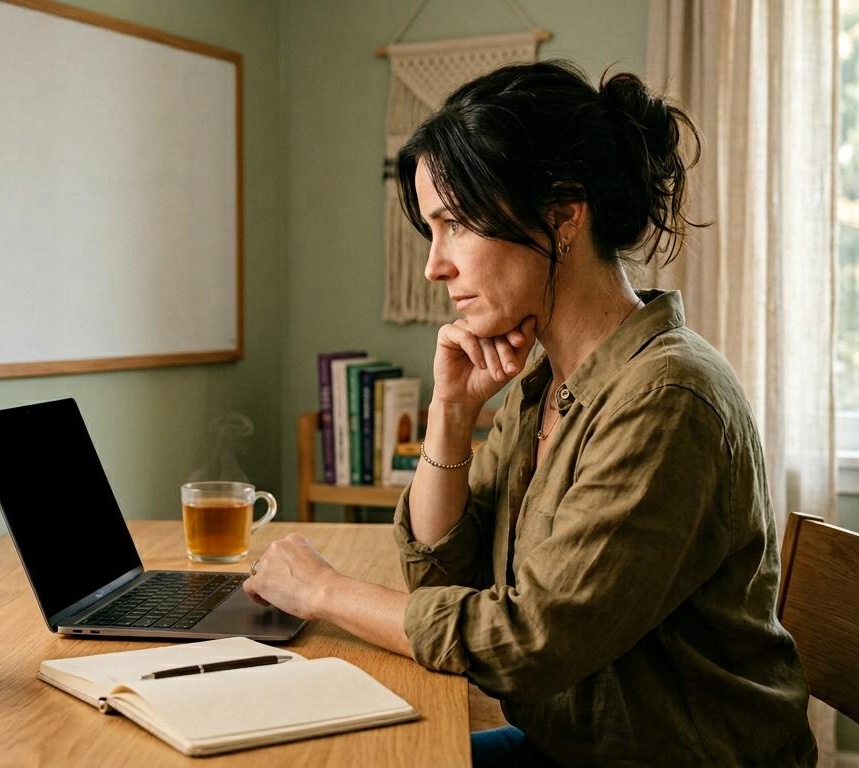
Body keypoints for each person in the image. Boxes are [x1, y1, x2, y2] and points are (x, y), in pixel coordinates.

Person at [243, 60, 817, 766]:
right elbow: (444, 578)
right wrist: (451, 413)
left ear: (562, 215)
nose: (434, 266)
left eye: (454, 224)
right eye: (432, 230)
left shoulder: (667, 400)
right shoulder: (547, 381)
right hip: (564, 746)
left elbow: (525, 644)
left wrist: (326, 591)